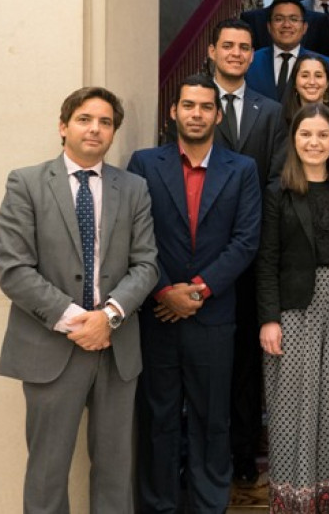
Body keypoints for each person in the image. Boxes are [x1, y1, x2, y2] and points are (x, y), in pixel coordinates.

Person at [0, 86, 159, 513]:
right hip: (50, 348)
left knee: (115, 470)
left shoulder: (135, 188)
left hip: (116, 347)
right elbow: (14, 269)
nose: (95, 129)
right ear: (63, 126)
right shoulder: (26, 183)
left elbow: (147, 265)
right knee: (48, 472)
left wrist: (109, 316)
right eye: (85, 119)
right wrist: (78, 321)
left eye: (105, 122)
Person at [129, 74, 262, 513]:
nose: (197, 113)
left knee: (212, 421)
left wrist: (198, 291)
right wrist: (164, 290)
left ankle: (209, 506)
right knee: (157, 420)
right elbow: (136, 235)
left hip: (213, 318)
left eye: (206, 107)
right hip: (157, 315)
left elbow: (245, 241)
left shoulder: (242, 169)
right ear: (174, 111)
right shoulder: (144, 164)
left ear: (218, 114)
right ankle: (158, 506)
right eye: (188, 105)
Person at [256, 104, 329, 514]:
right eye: (306, 134)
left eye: (323, 135)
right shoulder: (277, 192)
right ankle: (291, 503)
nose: (314, 142)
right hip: (293, 308)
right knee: (292, 406)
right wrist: (269, 318)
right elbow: (267, 259)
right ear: (295, 140)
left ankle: (327, 502)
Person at [205, 19, 288, 486]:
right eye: (228, 46)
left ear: (253, 55)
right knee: (211, 362)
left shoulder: (271, 111)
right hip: (204, 254)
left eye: (244, 48)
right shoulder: (195, 103)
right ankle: (209, 454)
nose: (236, 53)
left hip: (253, 250)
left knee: (246, 363)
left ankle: (241, 455)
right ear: (213, 52)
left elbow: (275, 180)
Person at [245, 0, 329, 104]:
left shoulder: (324, 64)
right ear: (269, 27)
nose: (286, 25)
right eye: (279, 19)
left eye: (294, 19)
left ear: (304, 28)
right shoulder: (251, 61)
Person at [283, 53, 329, 134]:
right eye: (305, 76)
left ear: (327, 83)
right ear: (295, 83)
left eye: (318, 76)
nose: (312, 82)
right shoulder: (281, 118)